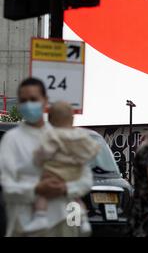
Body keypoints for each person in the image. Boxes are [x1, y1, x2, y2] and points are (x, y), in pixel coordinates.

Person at [0, 78, 93, 237]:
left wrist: (65, 188)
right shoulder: (12, 140)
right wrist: (37, 189)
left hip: (63, 223)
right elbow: (7, 186)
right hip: (26, 225)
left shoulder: (63, 136)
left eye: (34, 99)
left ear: (45, 101)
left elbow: (85, 179)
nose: (28, 104)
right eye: (23, 100)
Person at [25, 101, 100, 233]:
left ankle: (40, 217)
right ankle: (83, 221)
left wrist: (62, 187)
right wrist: (69, 186)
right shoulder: (80, 136)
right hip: (72, 177)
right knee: (75, 200)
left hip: (52, 178)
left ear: (50, 119)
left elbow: (40, 156)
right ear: (72, 119)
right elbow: (92, 152)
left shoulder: (49, 137)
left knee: (44, 198)